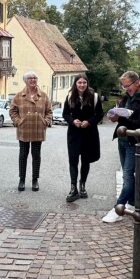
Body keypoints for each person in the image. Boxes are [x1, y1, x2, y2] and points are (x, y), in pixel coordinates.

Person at [102, 71, 140, 223]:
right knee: (129, 174)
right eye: (123, 86)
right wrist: (114, 117)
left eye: (128, 85)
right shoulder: (125, 98)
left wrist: (124, 118)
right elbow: (117, 119)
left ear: (137, 82)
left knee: (127, 176)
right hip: (122, 140)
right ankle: (132, 203)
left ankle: (118, 208)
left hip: (135, 142)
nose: (126, 89)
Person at [62, 74, 103, 202]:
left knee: (85, 161)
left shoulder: (94, 97)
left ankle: (83, 185)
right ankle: (73, 188)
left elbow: (100, 114)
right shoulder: (70, 96)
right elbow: (65, 114)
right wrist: (73, 121)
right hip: (74, 134)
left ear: (87, 83)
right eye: (79, 82)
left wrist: (89, 122)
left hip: (89, 134)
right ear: (75, 84)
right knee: (73, 160)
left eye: (84, 82)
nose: (82, 85)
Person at [9, 71, 53, 192]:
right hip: (24, 129)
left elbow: (49, 111)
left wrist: (45, 121)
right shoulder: (19, 96)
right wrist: (18, 121)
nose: (33, 80)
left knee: (36, 156)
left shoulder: (43, 96)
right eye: (30, 78)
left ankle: (35, 180)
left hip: (38, 128)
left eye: (34, 78)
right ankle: (21, 180)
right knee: (23, 155)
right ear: (25, 81)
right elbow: (12, 111)